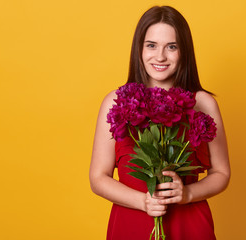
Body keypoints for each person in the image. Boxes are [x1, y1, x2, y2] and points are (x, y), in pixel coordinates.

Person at [89, 6, 230, 240]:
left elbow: (222, 172)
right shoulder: (115, 102)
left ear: (184, 51)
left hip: (190, 225)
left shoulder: (203, 103)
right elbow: (98, 177)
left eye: (171, 47)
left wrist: (187, 194)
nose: (160, 56)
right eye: (151, 45)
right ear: (139, 49)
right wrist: (143, 201)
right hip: (131, 222)